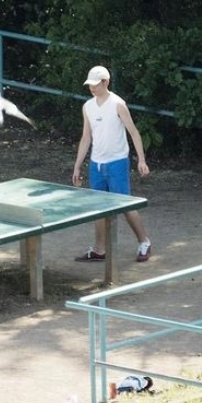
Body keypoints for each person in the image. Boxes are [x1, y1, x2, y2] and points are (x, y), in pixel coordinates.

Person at [71, 65, 151, 262]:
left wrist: (141, 160)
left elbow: (133, 132)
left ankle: (144, 242)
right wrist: (77, 165)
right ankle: (100, 249)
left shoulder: (118, 104)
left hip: (117, 162)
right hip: (96, 164)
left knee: (124, 205)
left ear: (106, 82)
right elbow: (86, 137)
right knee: (98, 206)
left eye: (96, 85)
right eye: (90, 85)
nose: (92, 88)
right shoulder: (87, 106)